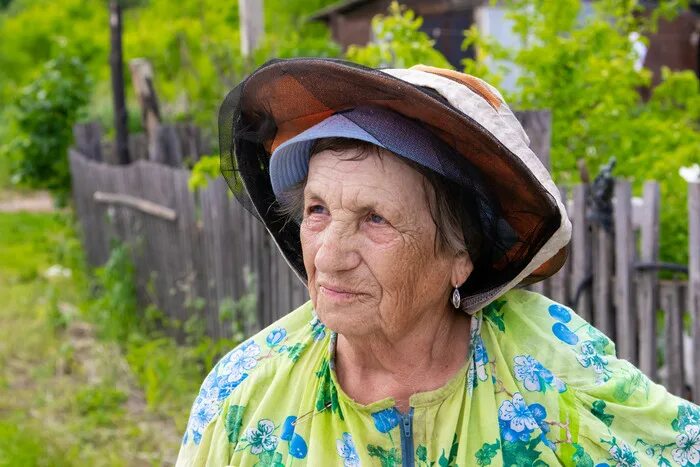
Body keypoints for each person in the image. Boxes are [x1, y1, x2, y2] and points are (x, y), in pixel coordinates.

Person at [176, 58, 698, 466]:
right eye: (317, 210)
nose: (329, 256)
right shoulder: (245, 393)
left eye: (375, 218)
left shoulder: (551, 368)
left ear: (459, 254)